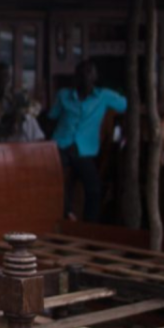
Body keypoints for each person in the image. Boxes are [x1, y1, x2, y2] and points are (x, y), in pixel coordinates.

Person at [48, 60, 127, 222]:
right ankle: (67, 214)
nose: (86, 77)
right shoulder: (64, 95)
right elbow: (52, 117)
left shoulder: (103, 96)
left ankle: (89, 224)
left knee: (93, 188)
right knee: (56, 180)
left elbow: (126, 105)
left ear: (95, 77)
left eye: (90, 73)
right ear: (76, 77)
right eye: (82, 73)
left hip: (84, 151)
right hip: (60, 146)